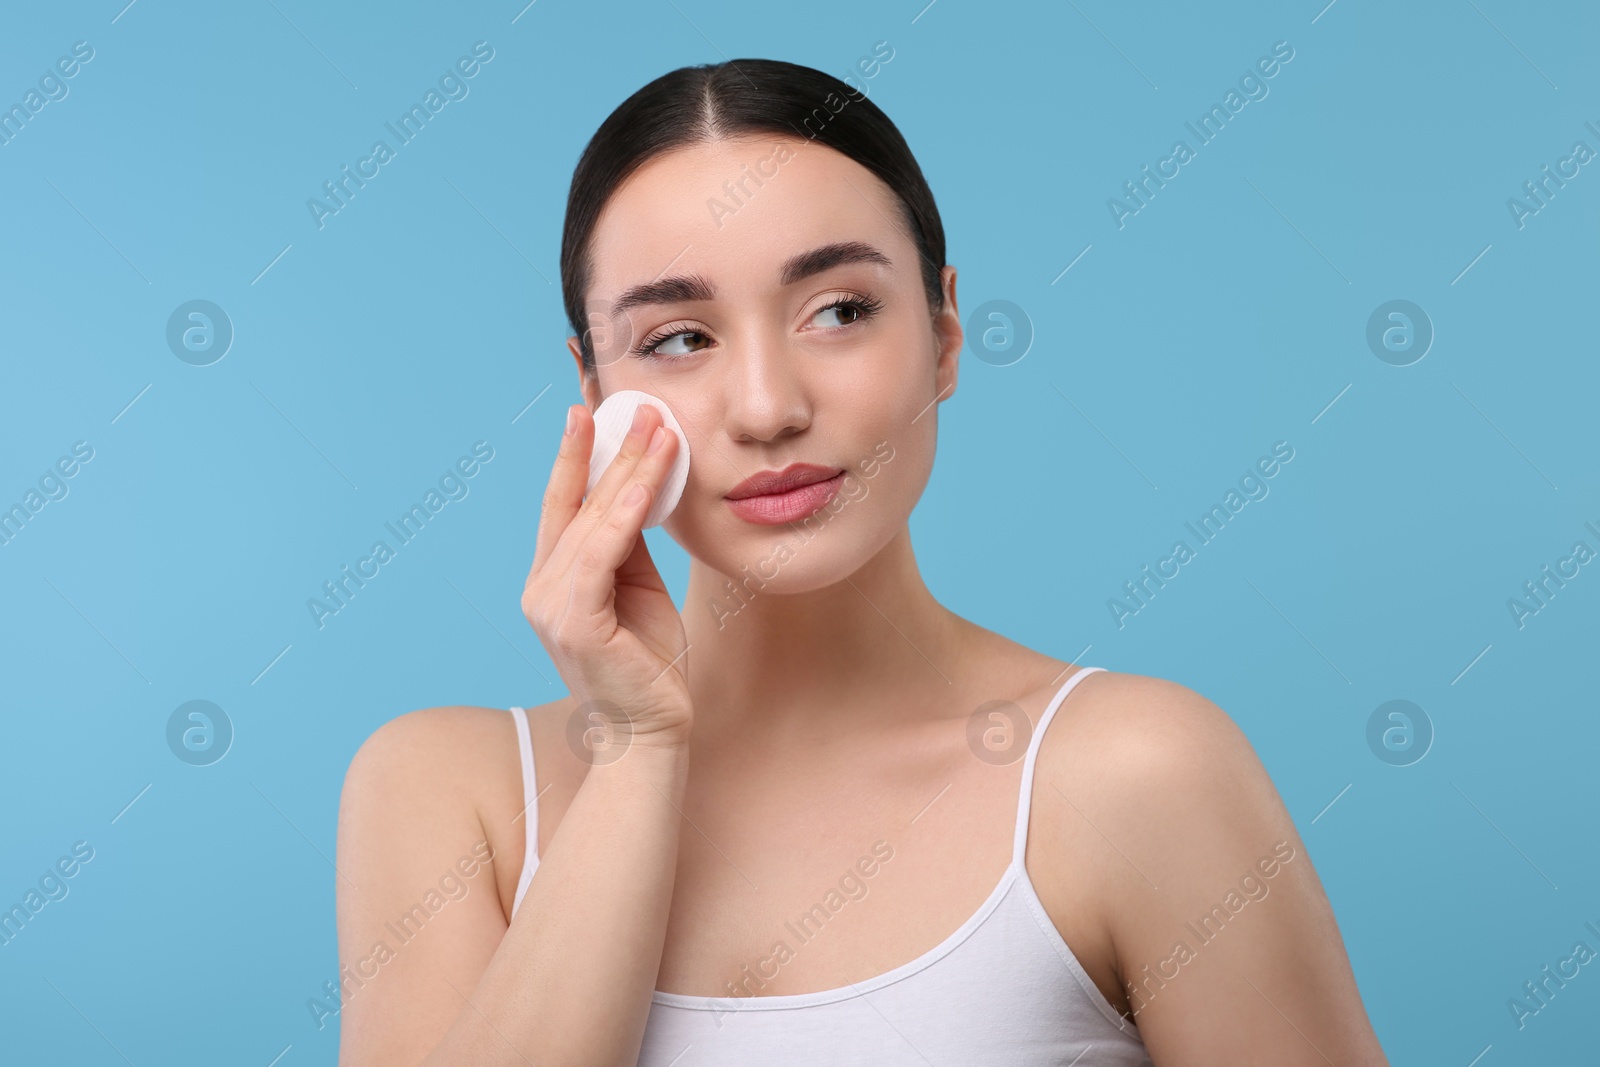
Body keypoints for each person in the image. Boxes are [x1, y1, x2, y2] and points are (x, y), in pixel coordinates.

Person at [334, 57, 1389, 1066]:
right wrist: (638, 750)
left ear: (942, 335)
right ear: (597, 389)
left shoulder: (1138, 774)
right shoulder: (445, 794)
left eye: (838, 310)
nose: (767, 406)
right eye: (679, 338)